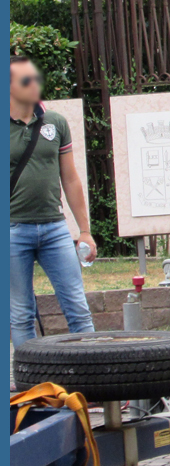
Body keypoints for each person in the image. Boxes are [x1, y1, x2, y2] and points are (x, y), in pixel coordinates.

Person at [10, 55, 96, 348]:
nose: (35, 84)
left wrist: (84, 231)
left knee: (78, 307)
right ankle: (30, 388)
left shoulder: (55, 122)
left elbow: (70, 179)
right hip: (11, 231)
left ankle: (93, 380)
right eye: (26, 80)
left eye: (36, 77)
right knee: (21, 315)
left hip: (54, 229)